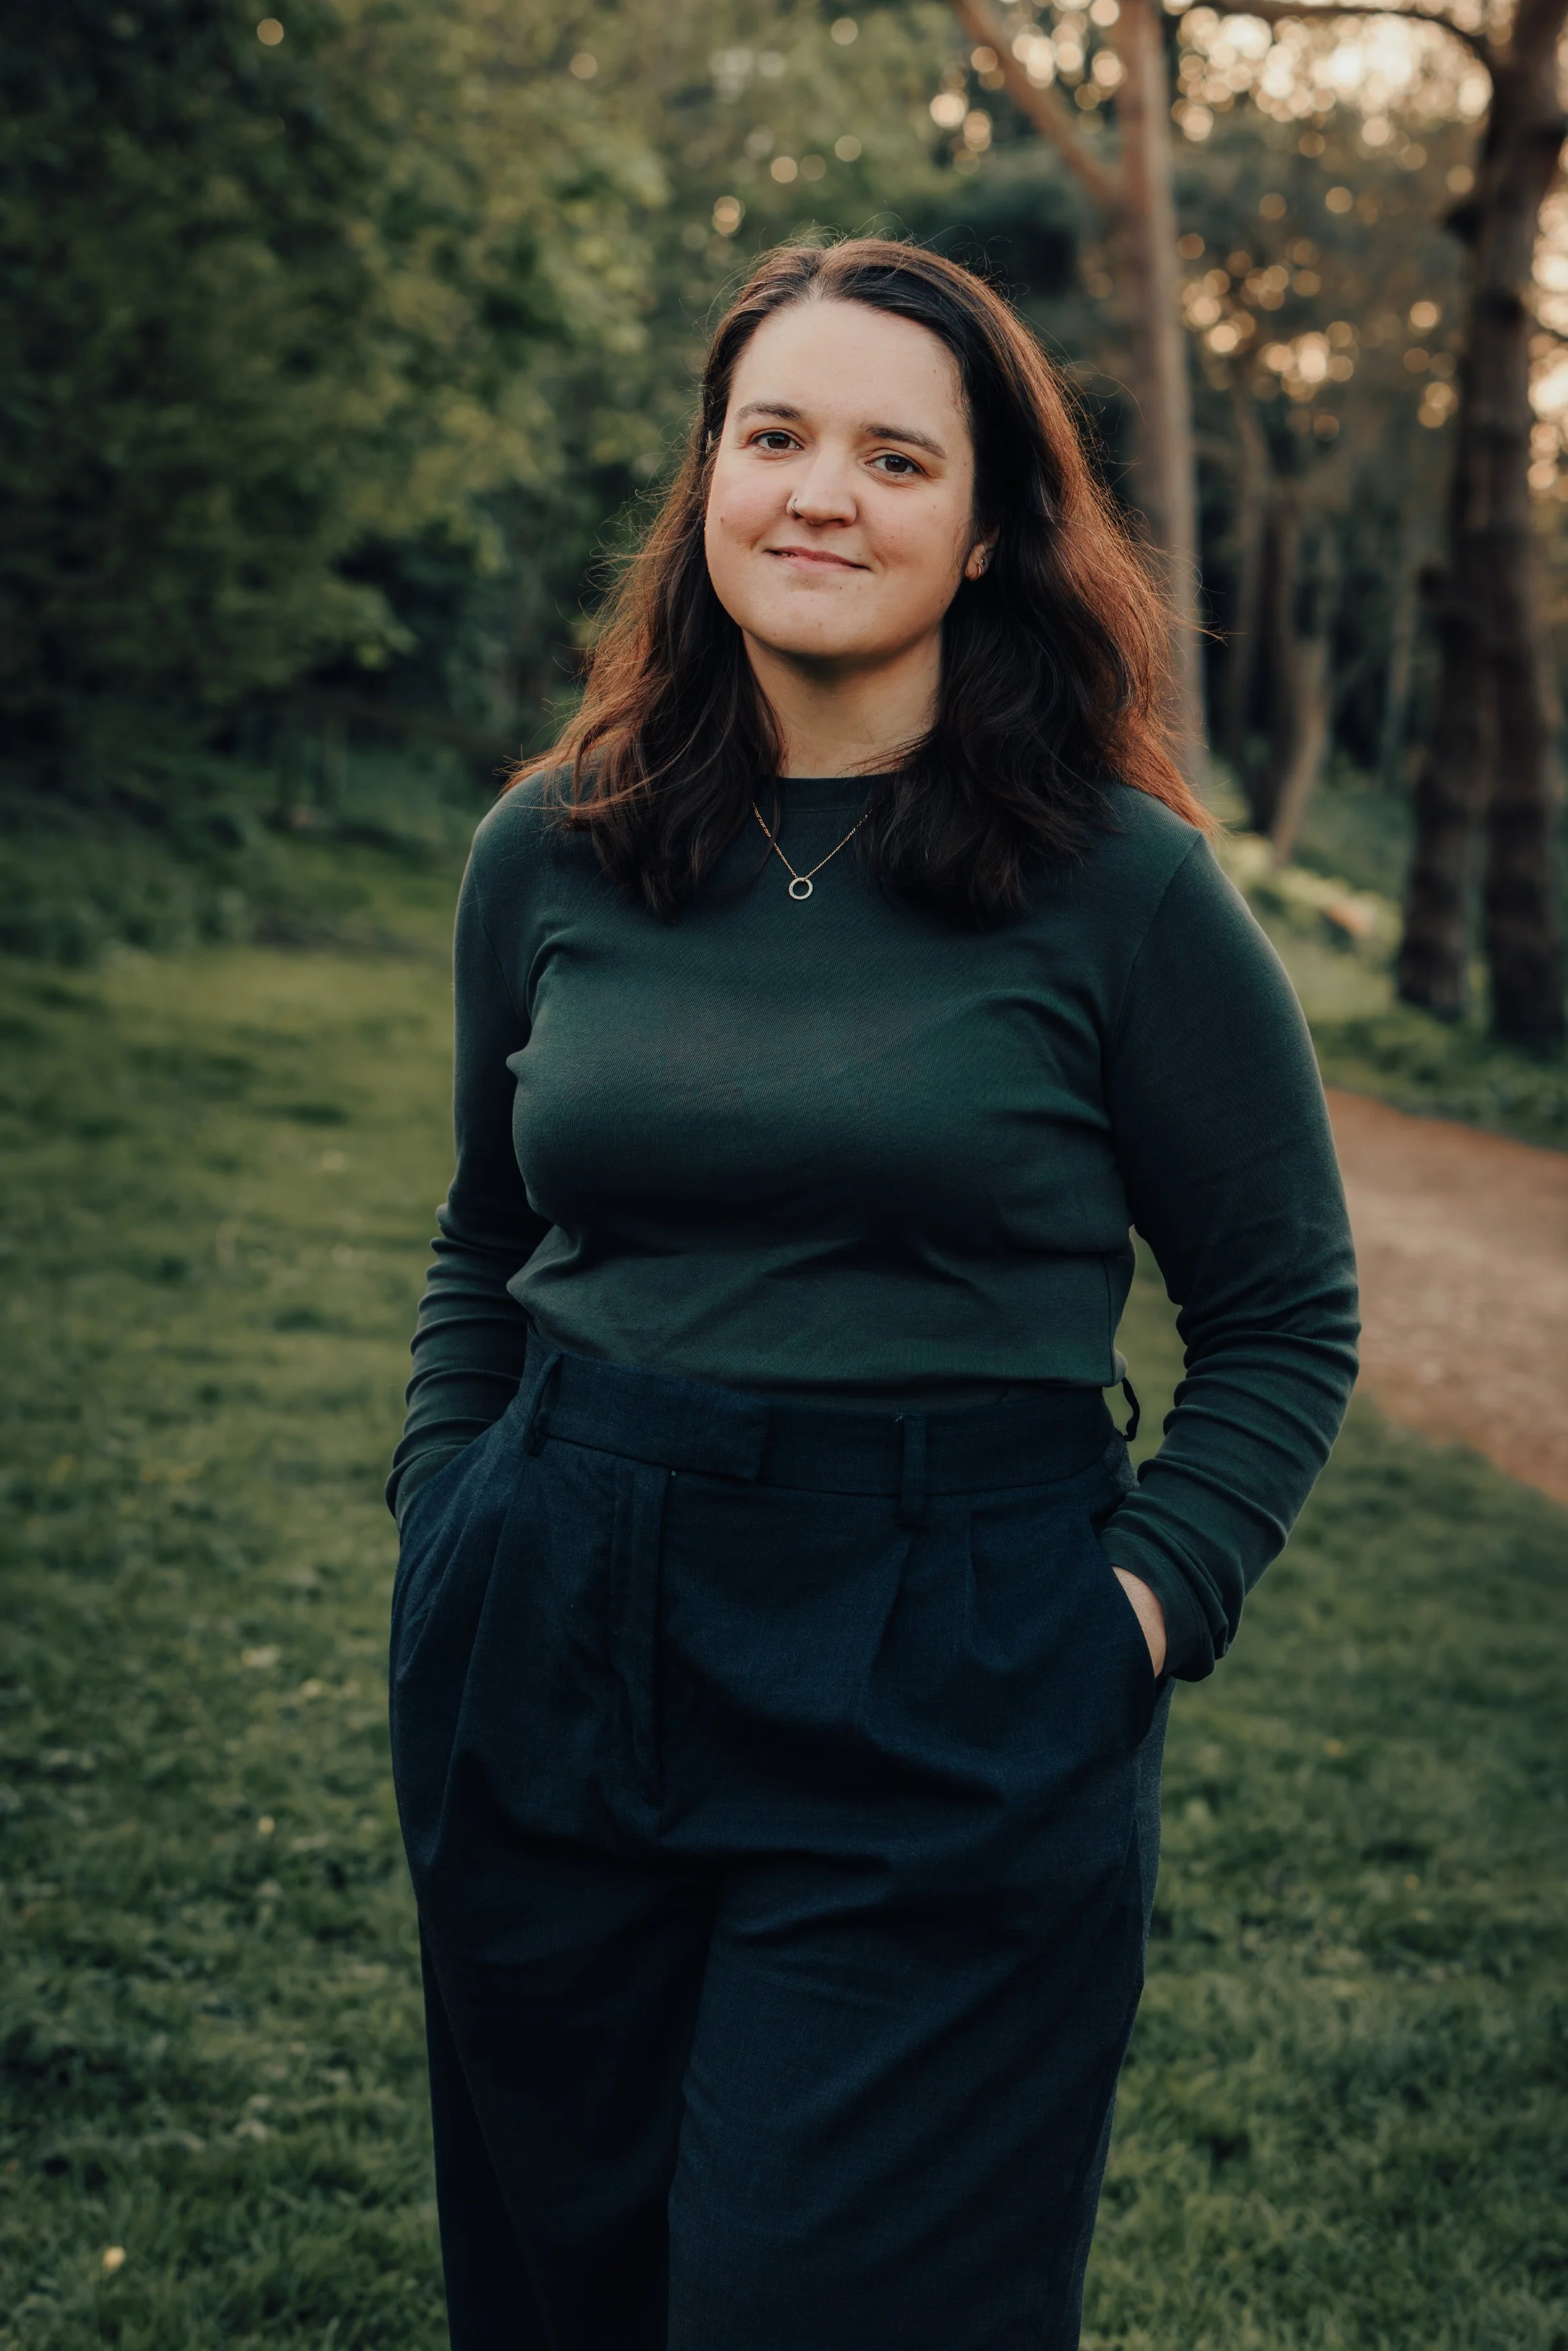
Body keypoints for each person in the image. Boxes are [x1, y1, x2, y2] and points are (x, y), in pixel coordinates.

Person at [387, 236, 1358, 2351]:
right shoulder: (555, 845)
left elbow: (1284, 1309)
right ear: (710, 481)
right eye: (774, 436)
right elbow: (485, 1232)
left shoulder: (1125, 886)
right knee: (565, 2297)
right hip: (554, 1619)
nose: (819, 493)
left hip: (948, 1661)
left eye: (893, 454)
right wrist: (445, 1519)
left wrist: (1133, 1611)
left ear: (992, 522)